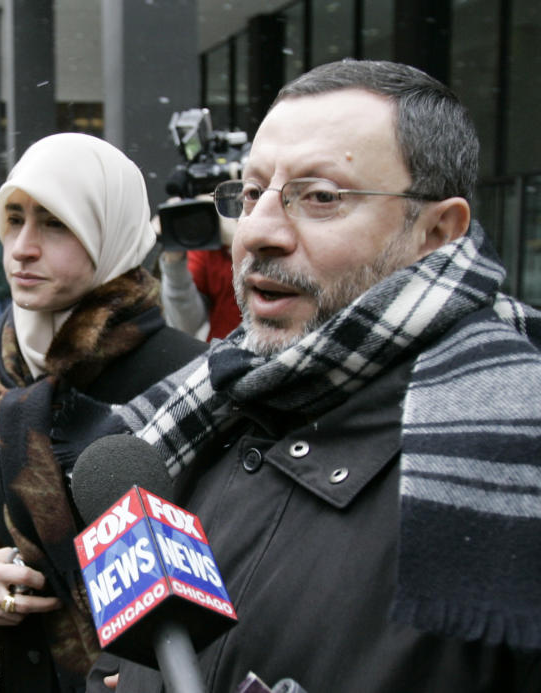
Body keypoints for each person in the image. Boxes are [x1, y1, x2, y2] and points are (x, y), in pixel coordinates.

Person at [84, 59, 541, 691]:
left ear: (437, 231)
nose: (258, 232)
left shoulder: (516, 454)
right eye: (250, 194)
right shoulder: (210, 404)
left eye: (321, 197)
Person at [0, 132, 207, 692]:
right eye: (14, 218)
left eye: (54, 223)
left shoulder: (187, 375)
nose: (21, 247)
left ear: (109, 232)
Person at [157, 208, 241, 340]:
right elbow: (186, 325)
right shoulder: (213, 239)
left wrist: (237, 241)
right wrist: (174, 261)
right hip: (222, 350)